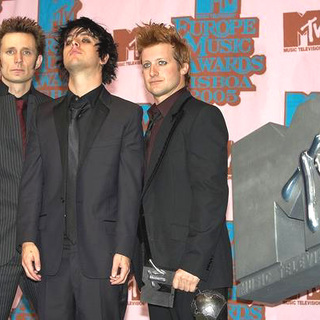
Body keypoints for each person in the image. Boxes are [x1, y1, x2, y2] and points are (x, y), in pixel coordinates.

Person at [17, 17, 144, 319]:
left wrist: (124, 248)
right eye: (69, 40)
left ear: (103, 57)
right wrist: (27, 239)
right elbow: (31, 182)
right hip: (49, 256)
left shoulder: (126, 115)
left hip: (103, 256)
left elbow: (130, 189)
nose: (74, 43)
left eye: (85, 39)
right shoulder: (43, 114)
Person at [135, 22, 233, 320]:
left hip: (194, 272)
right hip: (157, 273)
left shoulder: (203, 116)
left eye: (162, 62)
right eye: (147, 64)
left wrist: (192, 264)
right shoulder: (151, 123)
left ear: (184, 67)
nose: (153, 71)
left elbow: (212, 194)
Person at [0, 16, 51, 319]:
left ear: (38, 60)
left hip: (44, 250)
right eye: (9, 51)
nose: (18, 59)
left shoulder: (56, 113)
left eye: (26, 52)